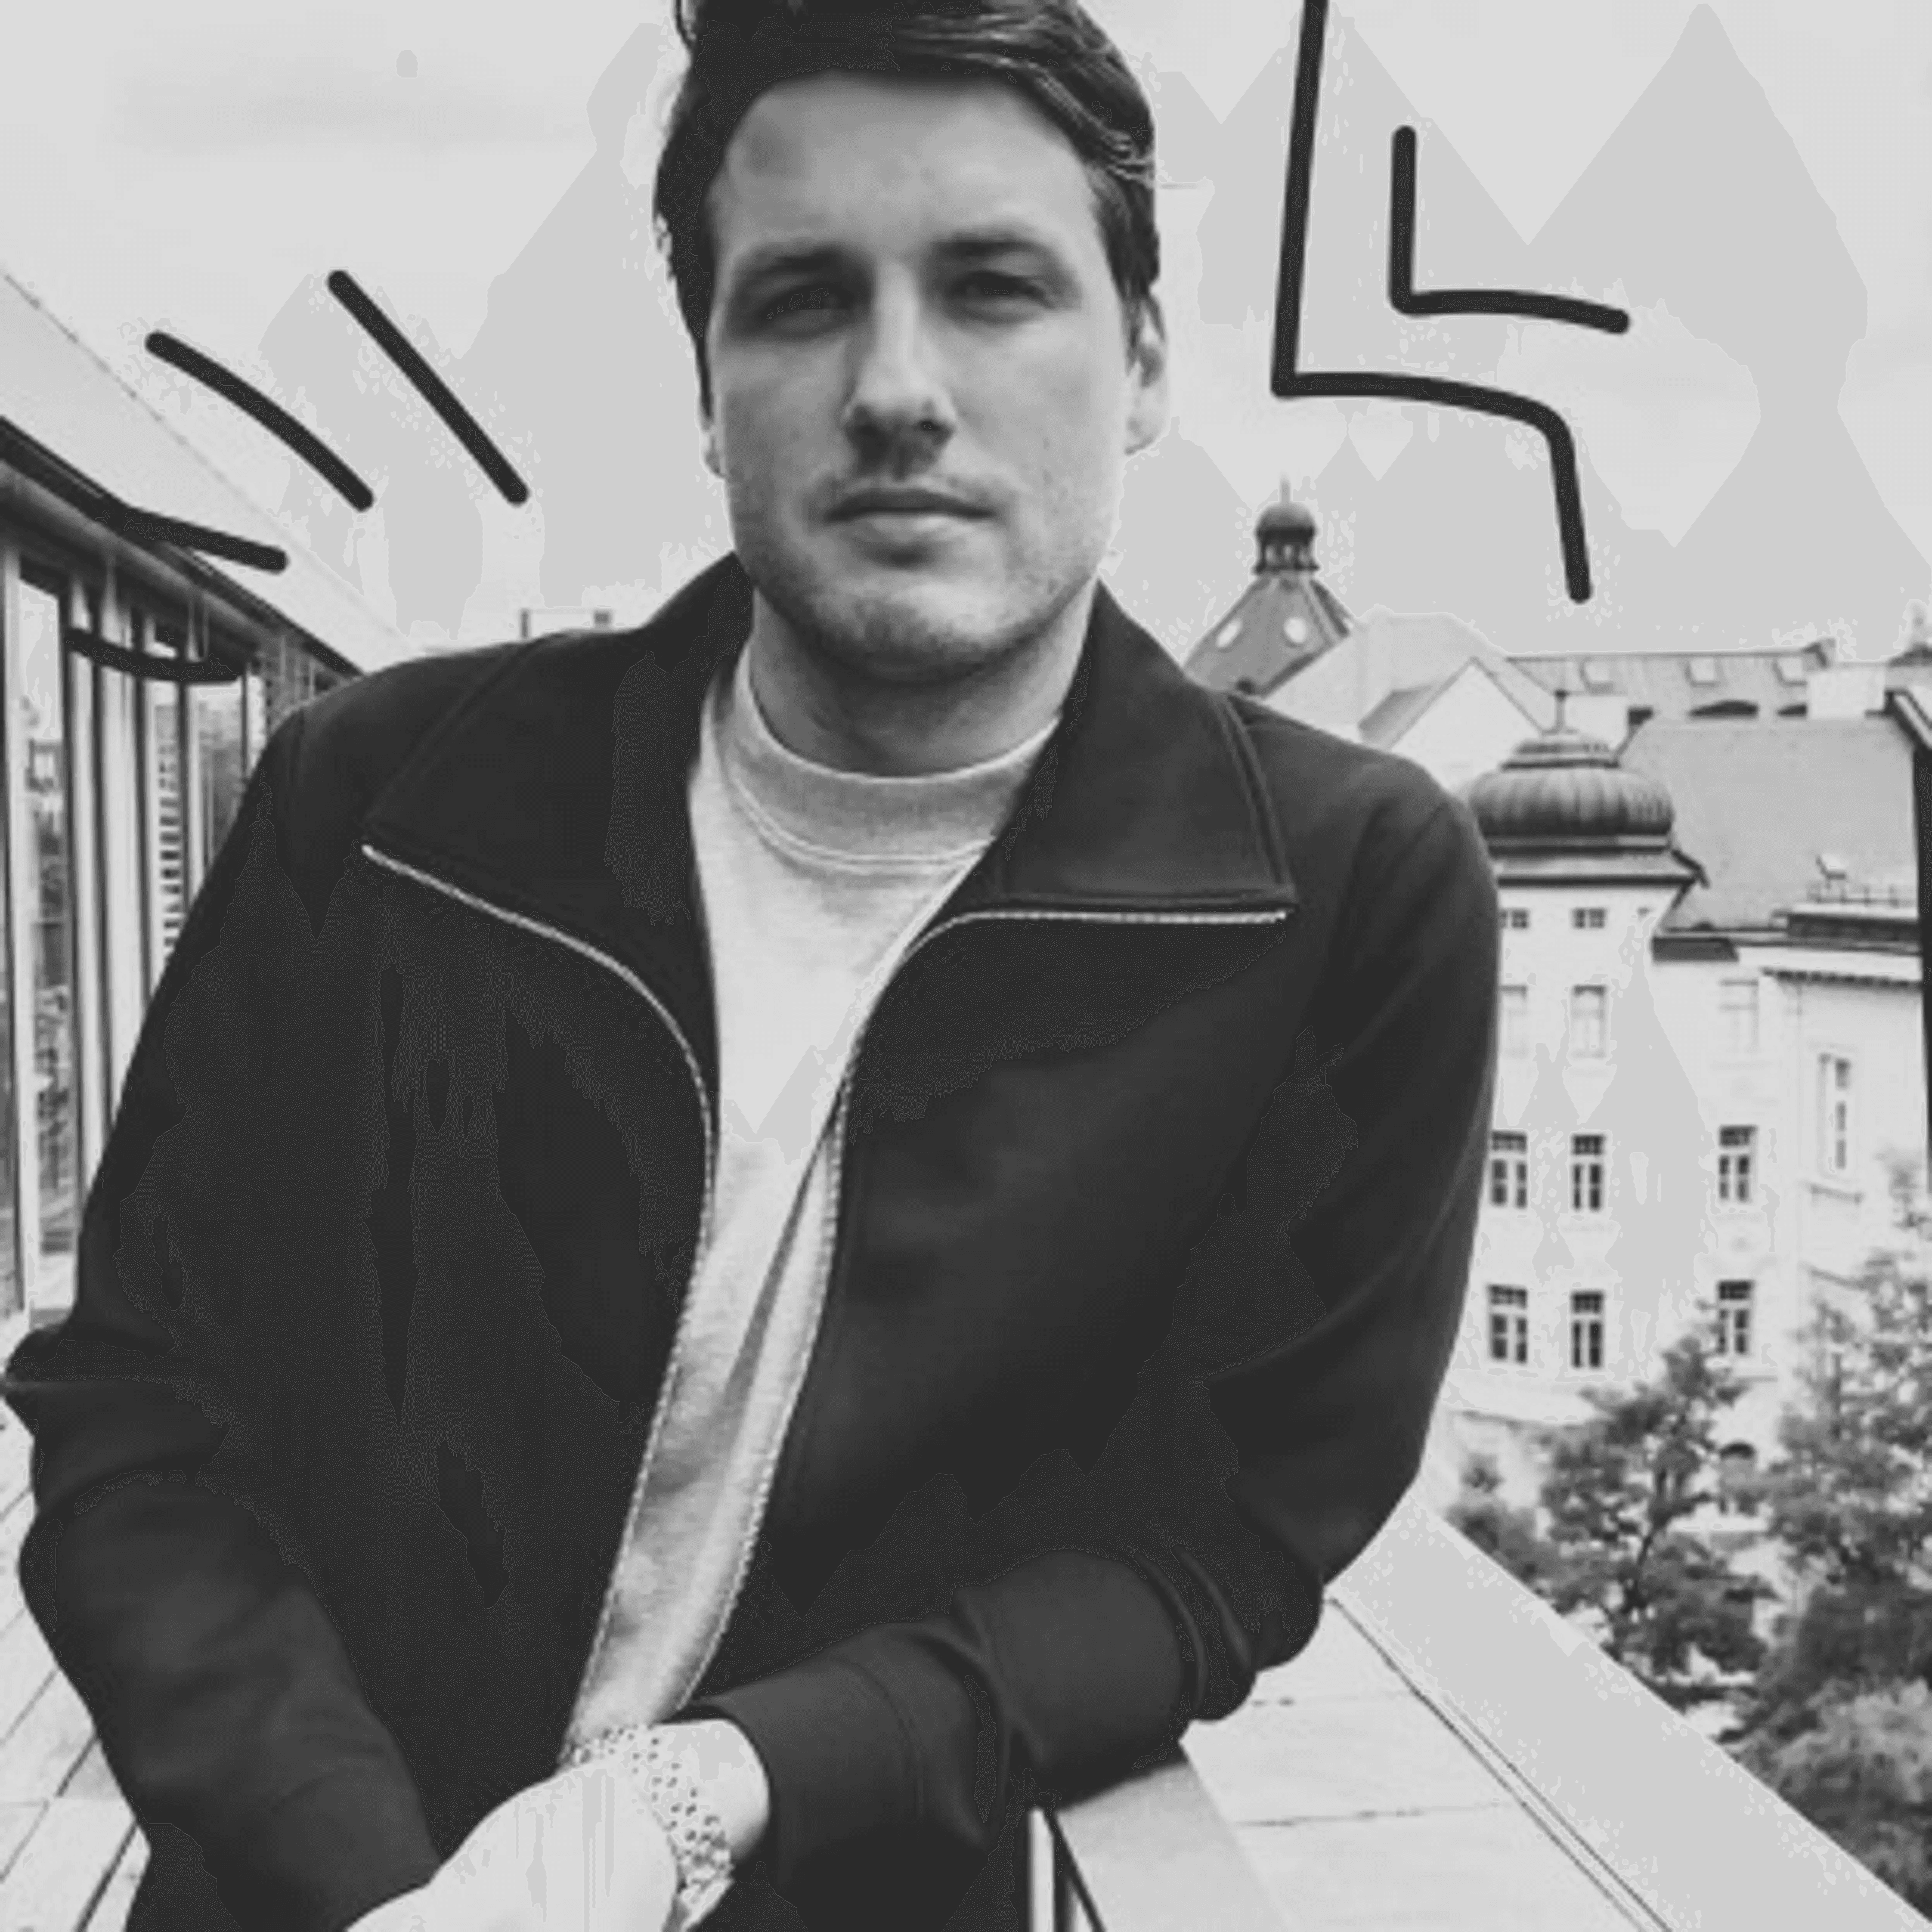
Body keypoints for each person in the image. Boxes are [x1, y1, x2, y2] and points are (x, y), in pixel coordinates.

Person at [2, 2, 1500, 1928]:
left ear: (1138, 359)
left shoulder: (1342, 899)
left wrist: (716, 1793)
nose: (897, 387)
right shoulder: (384, 804)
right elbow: (147, 1410)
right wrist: (370, 1889)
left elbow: (1216, 1546)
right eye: (800, 300)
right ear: (707, 382)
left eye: (992, 289)